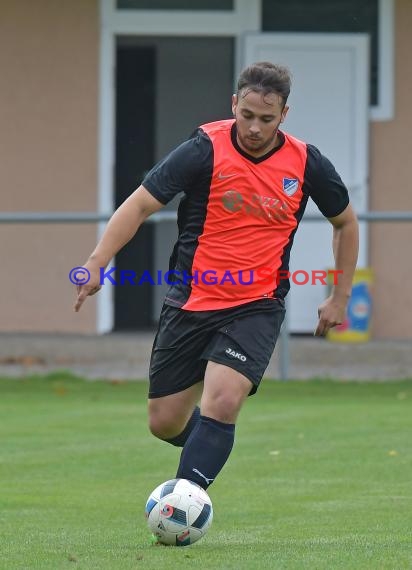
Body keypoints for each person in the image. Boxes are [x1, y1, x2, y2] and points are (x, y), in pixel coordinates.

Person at [73, 62, 359, 491]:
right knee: (164, 421)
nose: (255, 128)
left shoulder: (306, 162)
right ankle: (208, 446)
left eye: (266, 118)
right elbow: (139, 206)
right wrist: (98, 260)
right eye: (247, 115)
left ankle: (185, 501)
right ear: (234, 104)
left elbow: (346, 223)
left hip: (257, 304)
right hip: (191, 299)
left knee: (222, 402)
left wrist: (340, 296)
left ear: (284, 115)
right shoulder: (203, 148)